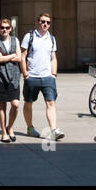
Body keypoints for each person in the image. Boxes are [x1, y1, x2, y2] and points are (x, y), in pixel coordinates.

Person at [21, 12, 63, 140]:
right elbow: (22, 57)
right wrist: (25, 75)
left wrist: (54, 74)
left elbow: (53, 58)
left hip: (47, 77)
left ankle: (53, 130)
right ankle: (30, 128)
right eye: (43, 21)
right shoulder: (29, 36)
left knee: (50, 103)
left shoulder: (51, 38)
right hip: (32, 77)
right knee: (28, 102)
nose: (45, 24)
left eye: (48, 22)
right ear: (38, 22)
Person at [0, 19, 21, 142]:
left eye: (7, 28)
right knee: (2, 105)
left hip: (14, 76)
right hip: (0, 76)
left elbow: (19, 57)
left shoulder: (15, 40)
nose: (5, 30)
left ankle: (10, 127)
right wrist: (12, 55)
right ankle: (4, 132)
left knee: (15, 104)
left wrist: (7, 57)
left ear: (11, 29)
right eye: (2, 27)